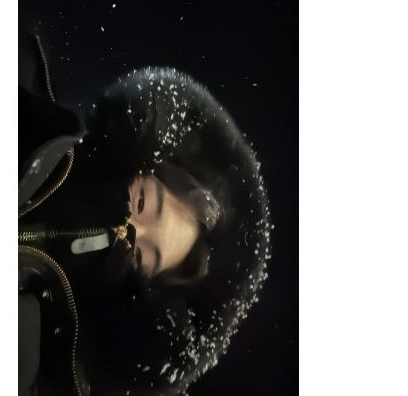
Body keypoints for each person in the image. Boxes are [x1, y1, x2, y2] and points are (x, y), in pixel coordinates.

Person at [18, 40, 272, 396]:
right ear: (140, 162)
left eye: (142, 256)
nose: (130, 229)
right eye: (142, 203)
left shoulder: (35, 369)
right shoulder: (25, 89)